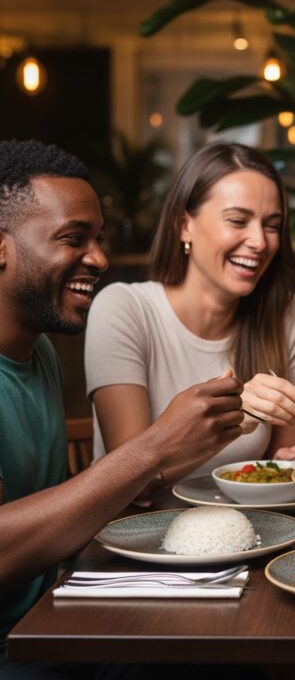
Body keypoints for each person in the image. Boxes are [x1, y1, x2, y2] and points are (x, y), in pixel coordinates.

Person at [0, 140, 246, 666]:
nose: (101, 259)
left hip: (62, 619)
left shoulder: (38, 350)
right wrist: (155, 447)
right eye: (73, 239)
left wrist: (184, 445)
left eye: (100, 239)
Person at [85, 143, 295, 486]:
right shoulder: (123, 309)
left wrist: (293, 463)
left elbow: (286, 458)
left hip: (254, 530)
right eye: (238, 220)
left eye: (272, 225)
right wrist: (237, 419)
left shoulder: (286, 314)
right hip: (136, 530)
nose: (260, 241)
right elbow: (132, 484)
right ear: (184, 226)